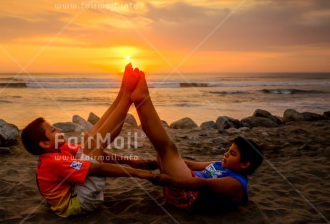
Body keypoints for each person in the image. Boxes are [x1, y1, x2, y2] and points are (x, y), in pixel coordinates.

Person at [21, 64, 157, 218]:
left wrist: (129, 161)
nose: (59, 130)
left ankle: (123, 93)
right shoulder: (54, 161)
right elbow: (98, 168)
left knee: (89, 141)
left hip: (76, 190)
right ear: (44, 144)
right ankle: (126, 98)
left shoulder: (59, 149)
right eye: (53, 130)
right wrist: (137, 173)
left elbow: (95, 154)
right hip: (79, 202)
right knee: (94, 143)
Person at [130, 70, 263, 214]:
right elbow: (191, 164)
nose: (226, 154)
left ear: (245, 164)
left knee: (169, 148)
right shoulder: (220, 164)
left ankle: (143, 98)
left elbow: (202, 184)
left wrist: (164, 179)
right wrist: (156, 163)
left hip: (190, 196)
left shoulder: (236, 183)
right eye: (228, 151)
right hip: (182, 187)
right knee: (161, 149)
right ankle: (139, 102)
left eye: (232, 153)